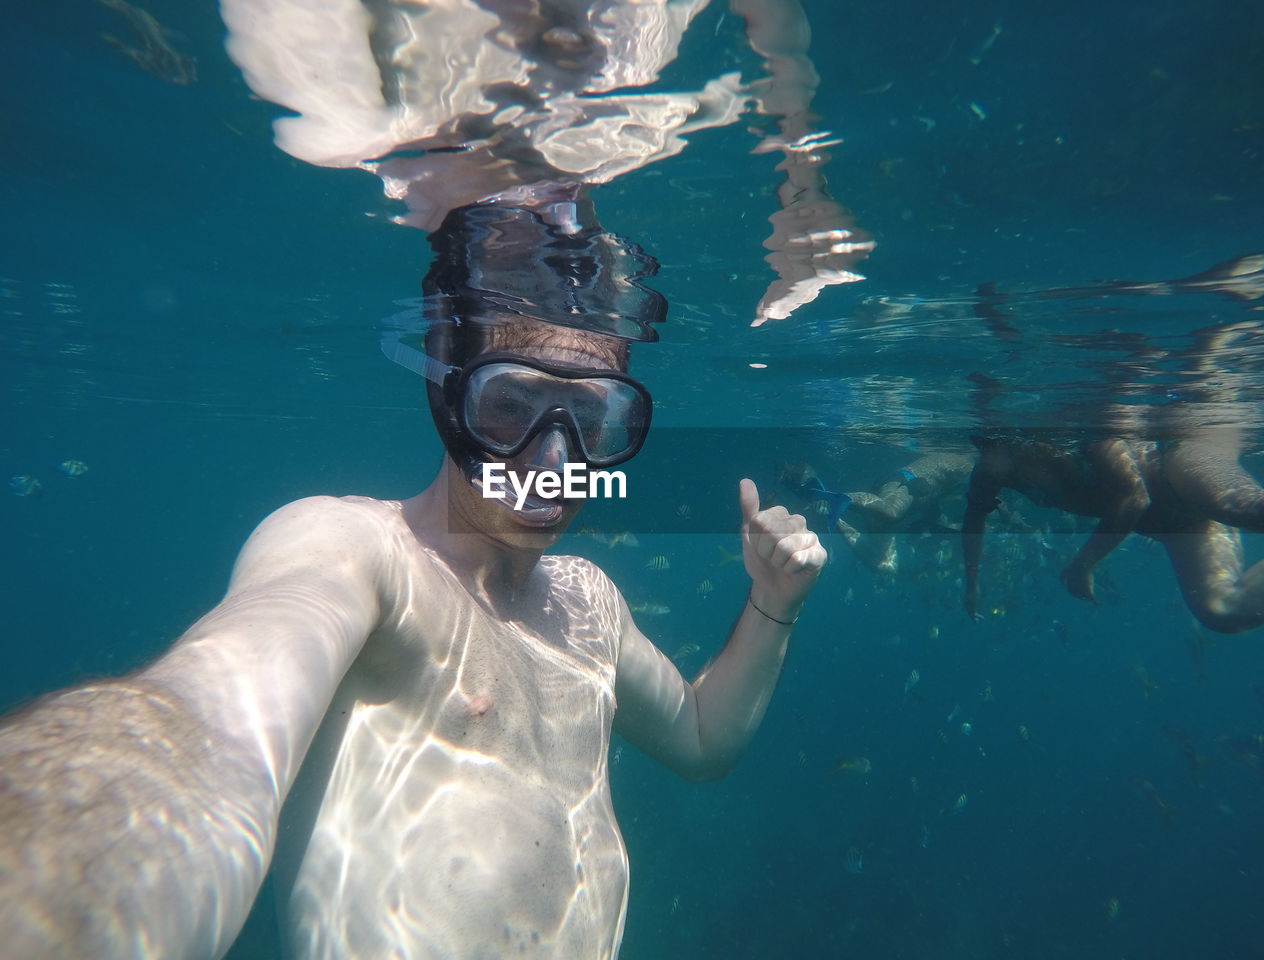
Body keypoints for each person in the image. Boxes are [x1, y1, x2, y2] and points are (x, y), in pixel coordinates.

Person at [0, 195, 826, 958]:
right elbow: (203, 732)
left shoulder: (588, 604)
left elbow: (699, 739)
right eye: (510, 405)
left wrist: (771, 604)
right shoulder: (356, 551)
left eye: (591, 421)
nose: (552, 462)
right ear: (445, 384)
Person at [961, 433, 1264, 633]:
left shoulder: (1082, 429)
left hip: (1175, 466)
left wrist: (1084, 563)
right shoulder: (989, 471)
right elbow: (974, 518)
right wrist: (972, 581)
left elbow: (1136, 496)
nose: (983, 449)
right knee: (1224, 612)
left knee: (1241, 506)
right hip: (1176, 525)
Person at [780, 453, 974, 574]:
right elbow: (933, 482)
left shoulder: (963, 475)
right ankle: (836, 498)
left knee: (887, 567)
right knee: (892, 511)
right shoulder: (965, 464)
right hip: (903, 482)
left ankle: (834, 516)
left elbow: (934, 500)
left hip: (907, 502)